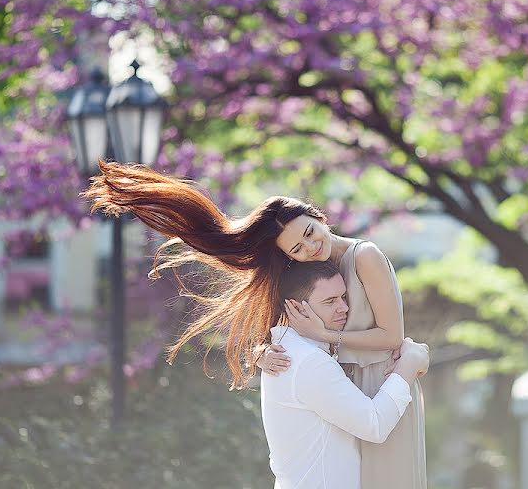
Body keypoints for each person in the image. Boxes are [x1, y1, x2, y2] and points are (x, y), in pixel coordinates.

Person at [83, 160, 427, 487]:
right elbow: (288, 324)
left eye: (310, 232)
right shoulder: (305, 275)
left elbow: (391, 335)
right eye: (297, 248)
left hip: (383, 379)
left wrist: (325, 334)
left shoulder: (364, 256)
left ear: (319, 216)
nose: (310, 246)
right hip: (346, 388)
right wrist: (262, 349)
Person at [263, 259, 430, 489]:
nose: (344, 308)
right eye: (330, 301)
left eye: (343, 297)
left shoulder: (290, 349)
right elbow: (375, 425)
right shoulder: (307, 361)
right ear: (297, 308)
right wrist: (410, 362)